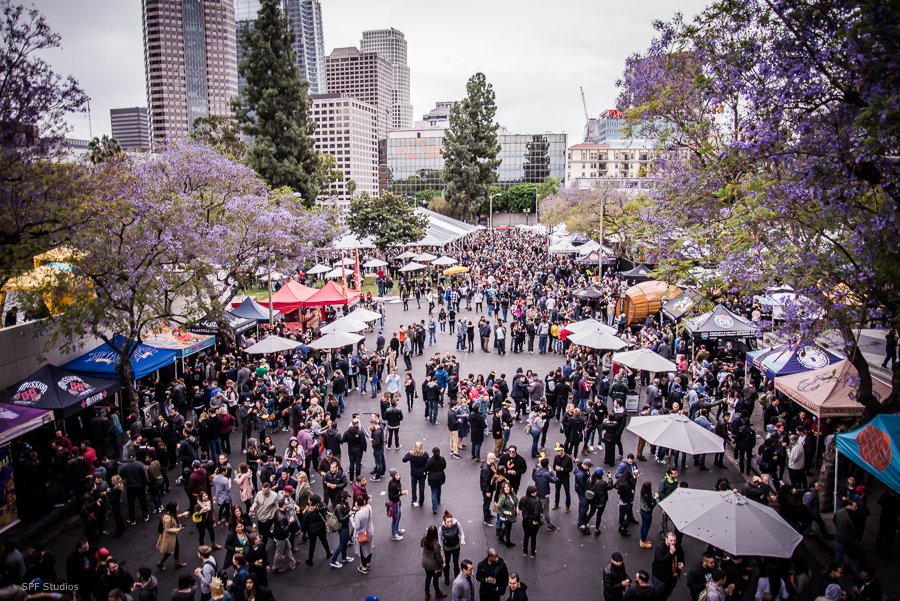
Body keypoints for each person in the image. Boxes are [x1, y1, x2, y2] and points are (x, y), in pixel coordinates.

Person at [156, 501, 189, 570]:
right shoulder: (168, 519)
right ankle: (160, 563)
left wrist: (182, 515)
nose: (178, 508)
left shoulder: (170, 514)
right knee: (170, 551)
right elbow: (167, 529)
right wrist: (178, 529)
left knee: (176, 547)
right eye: (177, 507)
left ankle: (177, 563)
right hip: (169, 537)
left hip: (172, 536)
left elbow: (175, 518)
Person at [651, 532, 684, 601]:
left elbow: (681, 558)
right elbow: (660, 562)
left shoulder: (678, 547)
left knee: (666, 594)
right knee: (657, 594)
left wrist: (681, 563)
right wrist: (670, 553)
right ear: (666, 539)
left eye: (674, 540)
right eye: (671, 540)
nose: (673, 542)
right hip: (660, 577)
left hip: (672, 577)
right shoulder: (660, 547)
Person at [301, 494, 331, 566]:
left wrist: (303, 531)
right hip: (321, 526)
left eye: (309, 499)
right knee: (324, 540)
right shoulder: (322, 506)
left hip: (311, 530)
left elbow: (304, 523)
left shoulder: (308, 512)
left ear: (311, 502)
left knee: (312, 544)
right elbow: (327, 511)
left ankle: (310, 560)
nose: (308, 500)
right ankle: (328, 553)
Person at [439, 511, 467, 586]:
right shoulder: (441, 529)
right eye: (448, 522)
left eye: (451, 521)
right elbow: (440, 539)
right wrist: (441, 550)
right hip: (447, 548)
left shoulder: (457, 524)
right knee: (447, 563)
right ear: (444, 521)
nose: (450, 524)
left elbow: (462, 533)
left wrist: (462, 539)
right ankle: (446, 577)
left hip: (456, 546)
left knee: (456, 562)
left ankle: (457, 577)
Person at [329, 491, 354, 569]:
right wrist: (349, 514)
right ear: (342, 498)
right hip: (342, 528)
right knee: (342, 544)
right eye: (346, 498)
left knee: (344, 542)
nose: (347, 500)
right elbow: (341, 519)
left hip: (345, 526)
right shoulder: (339, 507)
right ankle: (333, 560)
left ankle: (344, 557)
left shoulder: (343, 504)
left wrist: (351, 509)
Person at [422, 525, 449, 599]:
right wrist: (443, 563)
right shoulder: (436, 545)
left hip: (425, 562)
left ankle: (427, 593)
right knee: (435, 579)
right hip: (433, 565)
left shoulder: (424, 539)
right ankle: (438, 593)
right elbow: (438, 557)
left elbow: (421, 545)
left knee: (428, 577)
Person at [350, 495, 374, 574]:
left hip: (362, 534)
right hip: (370, 530)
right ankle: (368, 563)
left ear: (357, 503)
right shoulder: (369, 507)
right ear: (364, 502)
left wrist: (351, 518)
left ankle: (364, 567)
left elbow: (356, 526)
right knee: (369, 548)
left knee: (363, 550)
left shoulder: (358, 515)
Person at [517, 486, 542, 558]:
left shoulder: (523, 499)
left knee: (526, 536)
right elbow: (537, 513)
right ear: (531, 493)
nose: (536, 493)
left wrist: (526, 516)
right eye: (534, 492)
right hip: (534, 522)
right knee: (533, 537)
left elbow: (520, 508)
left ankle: (525, 551)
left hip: (525, 522)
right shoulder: (537, 501)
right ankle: (532, 552)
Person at [403, 441, 429, 508]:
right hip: (422, 474)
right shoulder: (425, 454)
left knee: (413, 487)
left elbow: (404, 460)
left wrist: (409, 453)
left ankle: (414, 500)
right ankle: (421, 501)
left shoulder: (411, 455)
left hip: (414, 473)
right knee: (421, 488)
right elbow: (428, 462)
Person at [425, 447, 448, 514]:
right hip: (440, 477)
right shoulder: (442, 459)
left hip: (432, 478)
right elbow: (444, 466)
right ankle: (438, 501)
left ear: (433, 452)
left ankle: (434, 508)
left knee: (433, 492)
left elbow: (426, 468)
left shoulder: (430, 460)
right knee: (439, 489)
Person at [495, 481, 518, 549]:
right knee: (508, 529)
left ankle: (500, 537)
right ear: (503, 489)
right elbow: (498, 506)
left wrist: (517, 507)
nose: (507, 488)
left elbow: (516, 500)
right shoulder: (503, 497)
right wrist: (505, 512)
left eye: (508, 487)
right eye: (505, 487)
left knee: (507, 528)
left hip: (511, 515)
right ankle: (508, 542)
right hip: (506, 517)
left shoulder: (511, 494)